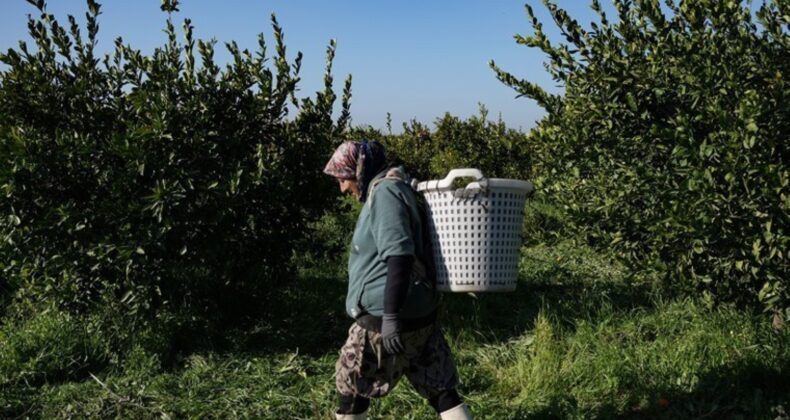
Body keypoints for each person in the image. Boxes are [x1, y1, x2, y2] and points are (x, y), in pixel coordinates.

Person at [324, 140, 473, 420]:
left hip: (385, 318)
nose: (343, 187)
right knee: (439, 387)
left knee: (352, 387)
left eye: (343, 177)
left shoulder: (386, 193)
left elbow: (399, 255)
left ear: (359, 169)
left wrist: (390, 317)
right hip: (419, 315)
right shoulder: (395, 186)